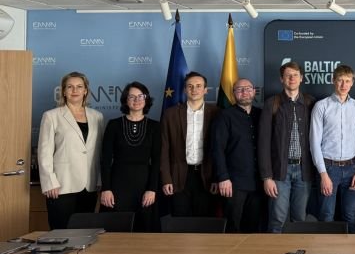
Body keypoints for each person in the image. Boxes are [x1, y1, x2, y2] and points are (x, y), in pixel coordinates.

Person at [38, 72, 104, 229]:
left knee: (84, 233)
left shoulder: (97, 117)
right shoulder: (51, 116)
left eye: (79, 86)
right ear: (63, 91)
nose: (75, 90)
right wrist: (49, 182)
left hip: (89, 185)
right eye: (70, 87)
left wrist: (100, 180)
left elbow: (100, 152)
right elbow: (44, 152)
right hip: (61, 186)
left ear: (85, 91)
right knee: (60, 233)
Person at [258, 62, 316, 233]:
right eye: (288, 75)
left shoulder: (310, 103)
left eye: (295, 75)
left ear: (301, 78)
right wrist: (266, 177)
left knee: (300, 219)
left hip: (304, 171)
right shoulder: (272, 103)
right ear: (281, 79)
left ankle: (298, 249)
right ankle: (274, 250)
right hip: (279, 172)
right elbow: (263, 142)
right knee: (278, 219)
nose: (292, 78)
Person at [310, 65, 355, 233]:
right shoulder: (321, 106)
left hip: (352, 168)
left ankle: (351, 249)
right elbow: (314, 142)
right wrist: (323, 174)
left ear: (352, 83)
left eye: (347, 81)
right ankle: (326, 249)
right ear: (333, 80)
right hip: (328, 168)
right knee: (326, 216)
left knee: (350, 216)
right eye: (340, 80)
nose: (343, 84)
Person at [100, 81, 161, 231]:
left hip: (144, 185)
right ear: (125, 100)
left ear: (146, 99)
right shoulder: (113, 125)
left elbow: (157, 161)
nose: (136, 100)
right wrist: (106, 189)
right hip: (117, 185)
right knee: (115, 230)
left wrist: (152, 189)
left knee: (145, 230)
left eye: (140, 96)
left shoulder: (155, 126)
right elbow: (105, 160)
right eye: (132, 96)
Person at [160, 71, 220, 217]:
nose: (194, 89)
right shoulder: (171, 114)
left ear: (205, 90)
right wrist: (166, 178)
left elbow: (221, 150)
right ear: (185, 90)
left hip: (207, 175)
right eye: (190, 86)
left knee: (205, 221)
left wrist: (217, 178)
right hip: (178, 176)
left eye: (199, 86)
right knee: (180, 220)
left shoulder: (217, 113)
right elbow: (164, 149)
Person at [211, 78, 264, 233]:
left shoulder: (261, 115)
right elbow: (217, 149)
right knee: (232, 227)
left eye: (248, 88)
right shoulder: (224, 116)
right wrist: (223, 178)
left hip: (258, 183)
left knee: (253, 228)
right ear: (234, 94)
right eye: (239, 89)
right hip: (234, 183)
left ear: (254, 92)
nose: (244, 92)